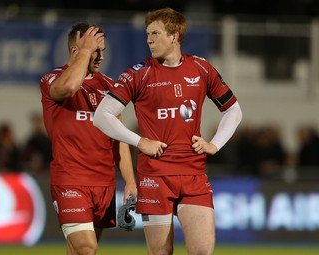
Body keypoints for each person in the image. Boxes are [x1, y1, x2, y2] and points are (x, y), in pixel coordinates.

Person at [93, 8, 242, 255]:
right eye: (147, 33)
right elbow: (102, 116)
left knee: (202, 252)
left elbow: (233, 110)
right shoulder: (137, 73)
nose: (148, 39)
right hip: (155, 177)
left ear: (174, 35)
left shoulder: (201, 69)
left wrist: (214, 144)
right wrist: (139, 141)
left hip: (193, 175)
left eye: (155, 33)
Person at [39, 23, 136, 255]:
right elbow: (70, 86)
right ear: (76, 51)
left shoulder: (110, 86)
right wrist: (84, 52)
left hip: (104, 184)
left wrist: (130, 181)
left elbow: (118, 137)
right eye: (95, 50)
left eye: (102, 50)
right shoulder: (52, 79)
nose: (101, 56)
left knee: (77, 251)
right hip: (70, 180)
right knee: (87, 249)